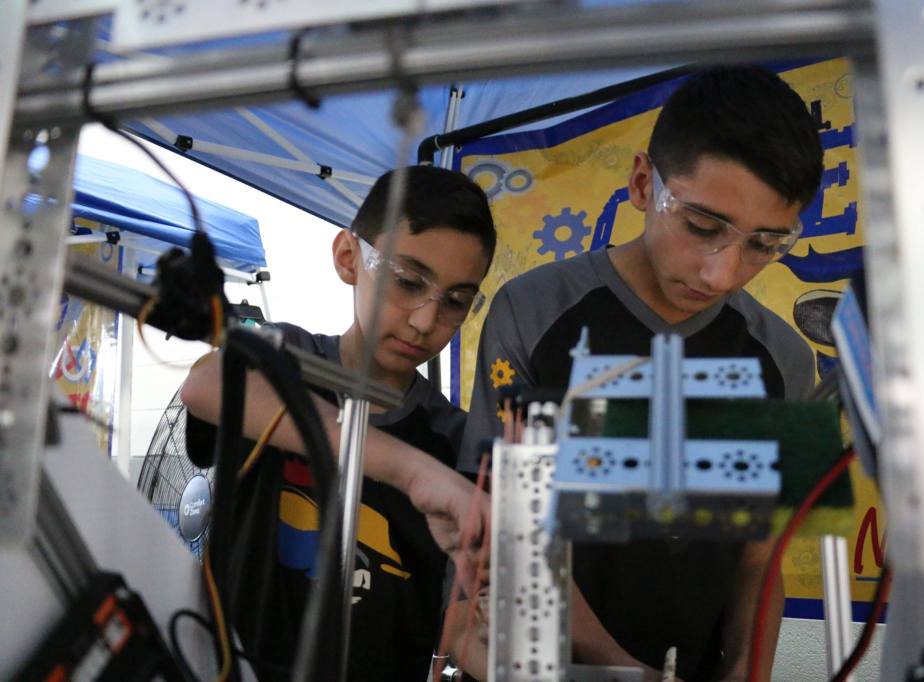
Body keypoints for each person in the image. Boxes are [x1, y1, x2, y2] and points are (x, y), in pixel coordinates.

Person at [460, 66, 824, 681]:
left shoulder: (786, 361)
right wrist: (626, 671)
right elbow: (507, 534)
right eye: (703, 228)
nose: (722, 274)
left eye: (764, 245)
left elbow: (759, 561)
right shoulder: (534, 313)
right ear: (640, 183)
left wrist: (747, 670)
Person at [181, 165, 497, 681]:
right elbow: (205, 386)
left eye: (455, 301)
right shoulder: (286, 357)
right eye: (408, 281)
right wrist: (410, 471)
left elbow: (461, 622)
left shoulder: (454, 441)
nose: (423, 319)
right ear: (350, 258)